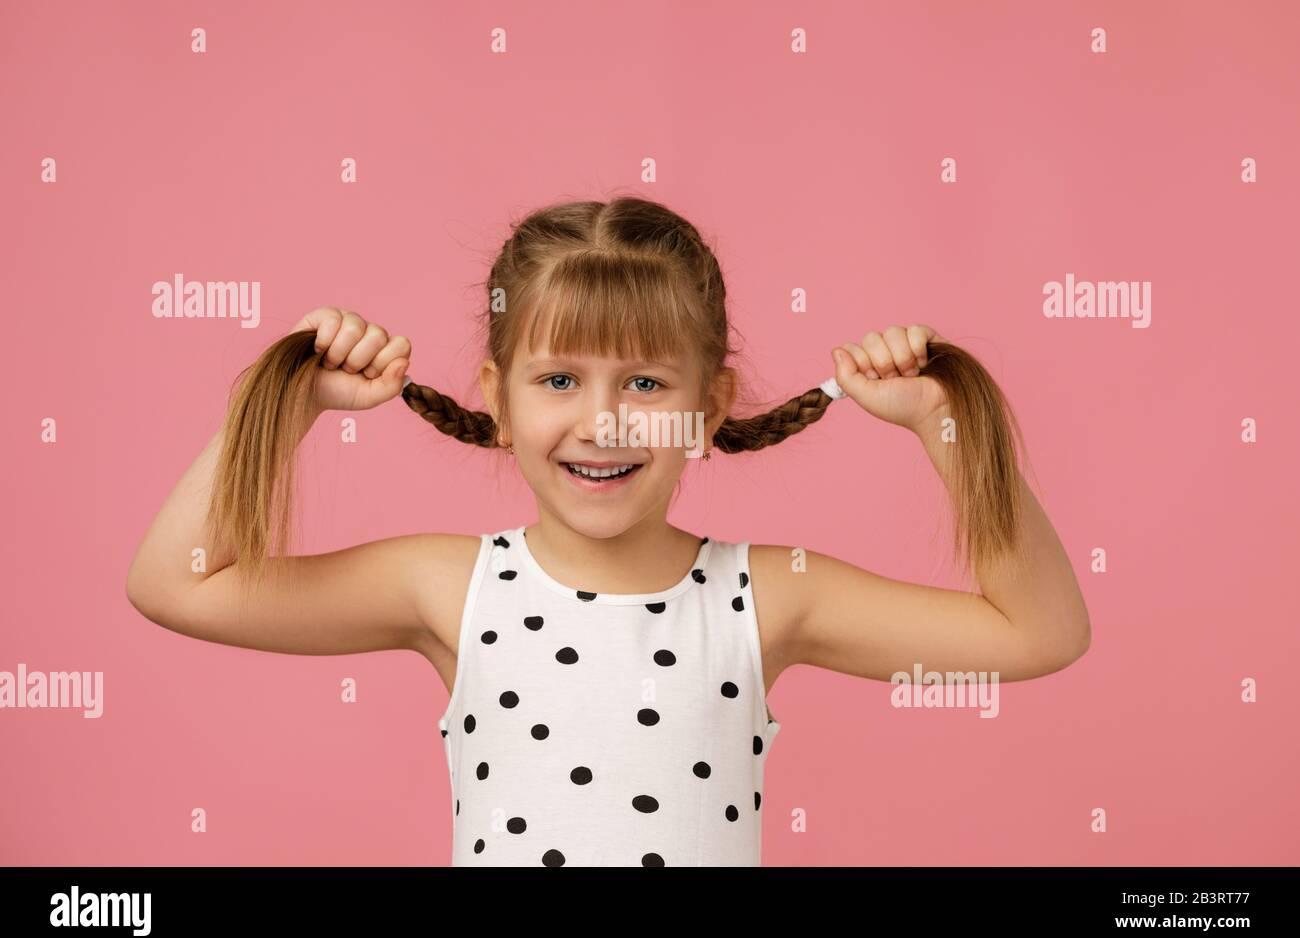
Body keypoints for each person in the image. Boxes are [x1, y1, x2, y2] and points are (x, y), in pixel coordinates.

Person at [126, 195, 1090, 866]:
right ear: (497, 402)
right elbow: (177, 582)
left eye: (645, 382)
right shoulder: (446, 588)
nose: (603, 422)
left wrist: (943, 426)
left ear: (708, 408)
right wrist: (297, 407)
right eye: (558, 381)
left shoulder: (769, 596)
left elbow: (1038, 632)